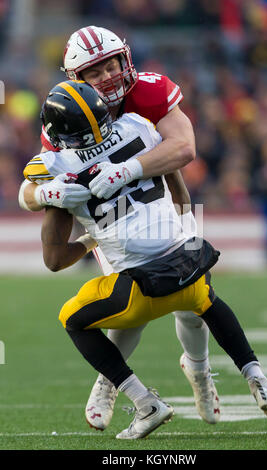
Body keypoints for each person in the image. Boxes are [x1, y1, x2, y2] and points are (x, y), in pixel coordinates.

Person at [23, 81, 267, 439]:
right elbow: (174, 169)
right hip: (188, 279)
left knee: (72, 319)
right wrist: (187, 226)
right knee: (207, 298)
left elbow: (53, 260)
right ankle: (257, 378)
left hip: (137, 293)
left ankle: (143, 400)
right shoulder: (137, 126)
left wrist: (45, 198)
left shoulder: (56, 165)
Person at [19, 26, 221, 429]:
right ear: (76, 79)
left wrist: (126, 170)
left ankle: (199, 372)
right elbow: (33, 184)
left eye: (112, 64)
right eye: (95, 72)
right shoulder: (67, 110)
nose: (108, 76)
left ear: (125, 59)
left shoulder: (148, 91)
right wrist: (46, 195)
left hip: (166, 202)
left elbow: (183, 149)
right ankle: (111, 380)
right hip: (114, 219)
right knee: (128, 308)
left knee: (194, 299)